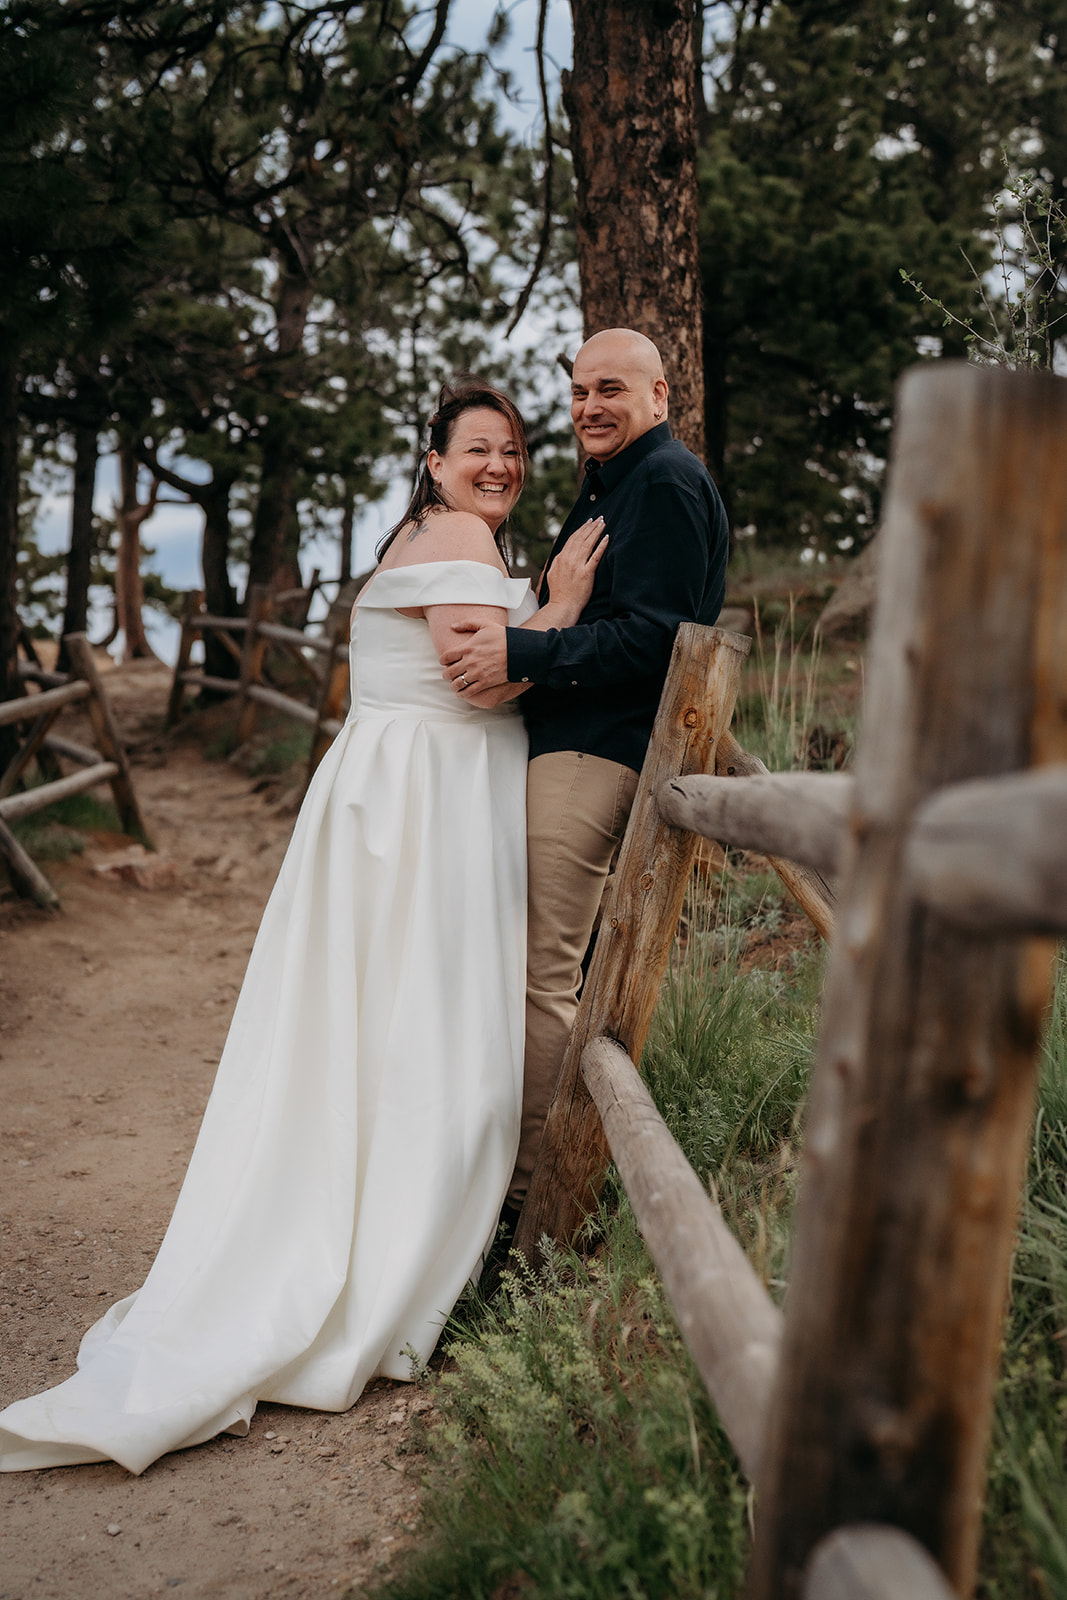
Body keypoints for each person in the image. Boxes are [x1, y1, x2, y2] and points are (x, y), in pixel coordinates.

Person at [0, 379, 607, 1476]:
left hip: (393, 800)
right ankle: (388, 1262)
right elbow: (478, 678)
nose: (501, 465)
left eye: (514, 450)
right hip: (425, 810)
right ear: (432, 460)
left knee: (366, 1031)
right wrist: (559, 604)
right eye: (478, 447)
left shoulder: (428, 529)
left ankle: (369, 1228)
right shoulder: (462, 530)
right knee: (423, 1034)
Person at [442, 330, 729, 1215]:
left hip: (592, 755)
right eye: (576, 393)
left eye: (609, 388)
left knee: (540, 980)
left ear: (659, 396)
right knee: (527, 970)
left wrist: (521, 646)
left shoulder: (667, 484)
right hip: (563, 748)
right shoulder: (618, 484)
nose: (588, 407)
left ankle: (535, 1202)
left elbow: (656, 639)